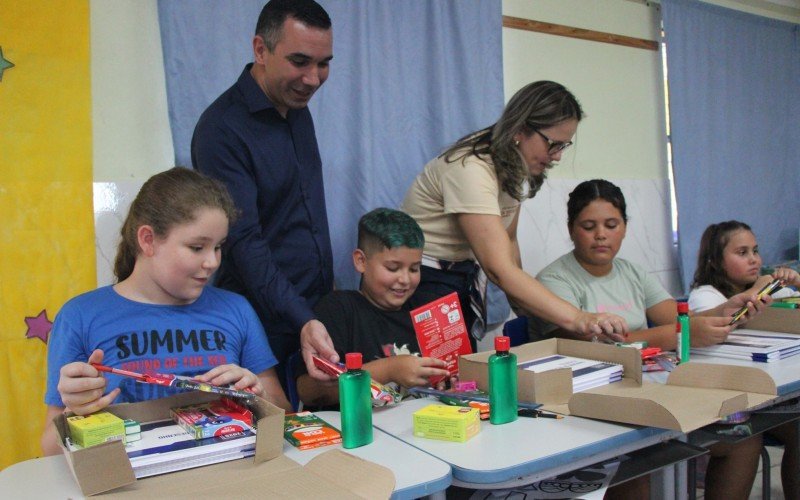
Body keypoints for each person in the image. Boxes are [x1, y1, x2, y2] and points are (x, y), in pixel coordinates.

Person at [532, 180, 769, 500]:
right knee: (638, 470)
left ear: (625, 228)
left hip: (652, 388)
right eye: (589, 226)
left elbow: (677, 317)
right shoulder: (553, 280)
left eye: (611, 224)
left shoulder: (632, 272)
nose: (601, 234)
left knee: (744, 440)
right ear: (572, 229)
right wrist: (678, 335)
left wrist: (727, 308)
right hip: (592, 402)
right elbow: (587, 347)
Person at [40, 168, 292, 456]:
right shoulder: (80, 317)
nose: (212, 262)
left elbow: (284, 412)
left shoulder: (236, 309)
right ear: (148, 240)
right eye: (196, 247)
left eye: (219, 247)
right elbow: (49, 449)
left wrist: (257, 393)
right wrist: (75, 410)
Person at [402, 81, 629, 345]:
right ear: (521, 129)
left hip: (460, 277)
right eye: (553, 144)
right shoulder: (471, 168)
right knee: (437, 377)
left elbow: (508, 239)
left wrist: (524, 304)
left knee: (458, 377)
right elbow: (498, 268)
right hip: (422, 280)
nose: (556, 157)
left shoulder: (513, 165)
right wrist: (579, 318)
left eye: (564, 146)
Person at [191, 0, 337, 383]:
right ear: (260, 49)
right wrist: (301, 316)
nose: (313, 78)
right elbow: (243, 242)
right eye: (300, 61)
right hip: (261, 322)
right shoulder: (221, 128)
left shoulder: (296, 108)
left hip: (312, 312)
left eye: (324, 63)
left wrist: (318, 310)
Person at [296, 208, 450, 408]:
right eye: (393, 268)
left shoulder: (427, 309)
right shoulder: (338, 309)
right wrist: (389, 370)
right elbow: (309, 391)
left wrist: (447, 379)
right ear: (361, 261)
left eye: (414, 268)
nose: (405, 279)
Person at [689, 220, 800, 499]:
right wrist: (762, 286)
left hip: (769, 395)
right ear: (715, 261)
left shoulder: (769, 290)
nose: (753, 260)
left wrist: (797, 282)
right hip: (729, 397)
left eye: (755, 251)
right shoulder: (705, 296)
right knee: (744, 441)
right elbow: (720, 324)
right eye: (742, 253)